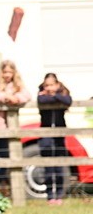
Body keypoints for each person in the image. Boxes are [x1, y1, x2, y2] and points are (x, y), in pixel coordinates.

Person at [37, 73, 72, 206]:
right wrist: (54, 98)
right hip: (45, 134)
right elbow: (42, 101)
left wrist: (54, 95)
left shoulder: (62, 94)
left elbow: (68, 100)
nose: (49, 88)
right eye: (47, 85)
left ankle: (59, 195)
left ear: (57, 85)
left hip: (59, 134)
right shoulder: (41, 95)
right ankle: (50, 195)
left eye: (52, 85)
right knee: (48, 166)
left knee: (59, 165)